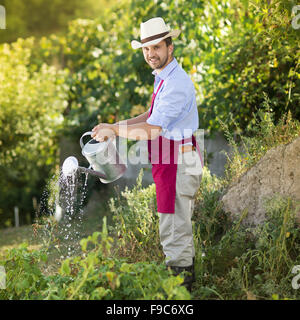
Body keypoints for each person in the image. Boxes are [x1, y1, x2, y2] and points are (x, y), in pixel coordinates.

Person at [91, 17, 203, 291]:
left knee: (174, 230)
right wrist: (114, 126)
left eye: (157, 47)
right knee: (172, 225)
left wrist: (115, 131)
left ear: (170, 46)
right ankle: (179, 288)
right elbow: (151, 116)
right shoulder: (165, 77)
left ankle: (181, 294)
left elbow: (153, 129)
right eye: (146, 49)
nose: (151, 54)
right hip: (169, 161)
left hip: (178, 160)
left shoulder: (176, 84)